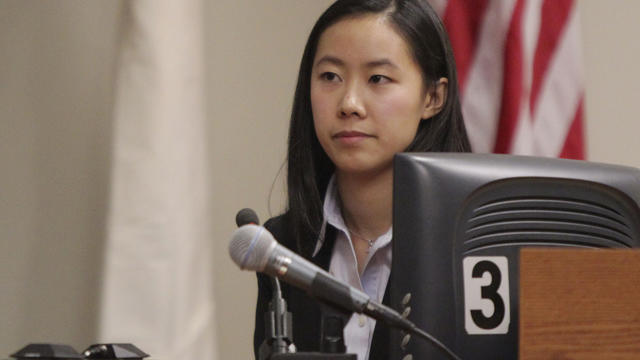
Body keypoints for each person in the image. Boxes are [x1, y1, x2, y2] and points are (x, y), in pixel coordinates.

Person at [254, 0, 470, 359]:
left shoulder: (473, 250)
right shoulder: (282, 247)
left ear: (433, 97)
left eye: (378, 79)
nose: (349, 103)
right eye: (330, 77)